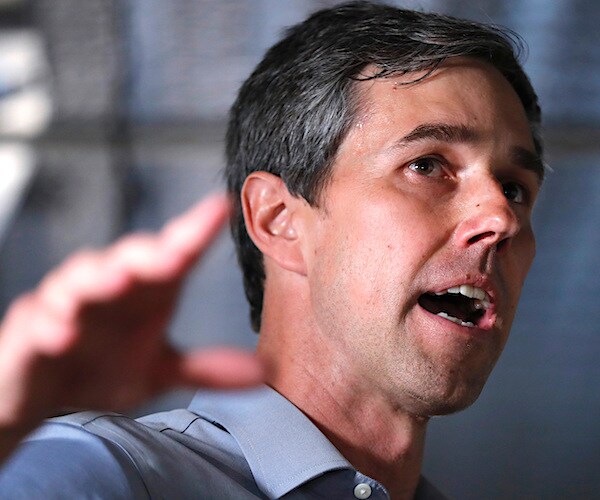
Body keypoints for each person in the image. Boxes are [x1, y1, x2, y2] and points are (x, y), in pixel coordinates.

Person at [0, 1, 545, 498]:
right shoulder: (104, 473)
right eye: (426, 165)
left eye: (516, 188)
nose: (501, 218)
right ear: (279, 220)